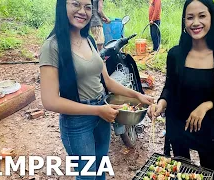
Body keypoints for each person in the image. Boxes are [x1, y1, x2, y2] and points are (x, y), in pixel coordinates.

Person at [39, 0, 153, 179]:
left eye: (87, 7)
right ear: (62, 6)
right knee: (87, 175)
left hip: (103, 111)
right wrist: (97, 110)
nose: (82, 11)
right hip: (78, 122)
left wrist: (138, 95)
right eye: (76, 4)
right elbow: (50, 101)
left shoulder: (89, 39)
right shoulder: (52, 46)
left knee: (100, 168)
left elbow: (107, 82)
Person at [148, 0, 214, 179]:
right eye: (190, 17)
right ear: (184, 21)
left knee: (210, 172)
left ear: (212, 18)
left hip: (206, 125)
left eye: (202, 16)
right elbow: (170, 86)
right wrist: (161, 103)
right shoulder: (175, 54)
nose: (195, 23)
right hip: (176, 122)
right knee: (180, 170)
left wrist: (207, 106)